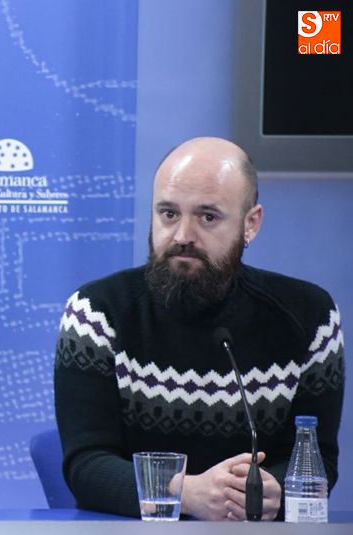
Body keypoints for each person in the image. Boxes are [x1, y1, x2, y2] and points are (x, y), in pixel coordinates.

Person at [54, 137, 344, 521]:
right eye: (168, 213)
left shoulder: (310, 316)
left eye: (207, 217)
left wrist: (274, 490)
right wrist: (185, 493)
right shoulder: (96, 313)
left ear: (251, 223)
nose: (182, 236)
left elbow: (316, 458)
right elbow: (86, 466)